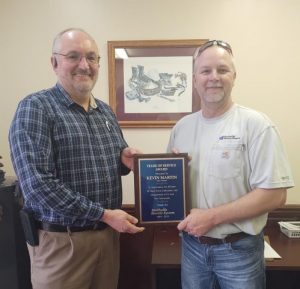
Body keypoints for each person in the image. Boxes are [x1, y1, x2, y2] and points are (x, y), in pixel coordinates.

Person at [9, 28, 144, 289]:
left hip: (107, 240)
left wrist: (124, 160)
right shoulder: (35, 108)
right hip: (61, 244)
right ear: (55, 62)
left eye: (92, 58)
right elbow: (38, 186)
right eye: (74, 56)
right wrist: (102, 214)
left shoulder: (104, 111)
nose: (85, 65)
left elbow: (112, 162)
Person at [167, 40, 294, 289]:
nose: (213, 77)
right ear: (194, 79)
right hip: (192, 248)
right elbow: (168, 189)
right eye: (205, 71)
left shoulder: (256, 125)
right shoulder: (182, 128)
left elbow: (276, 195)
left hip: (239, 252)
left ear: (234, 77)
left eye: (222, 70)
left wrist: (211, 217)